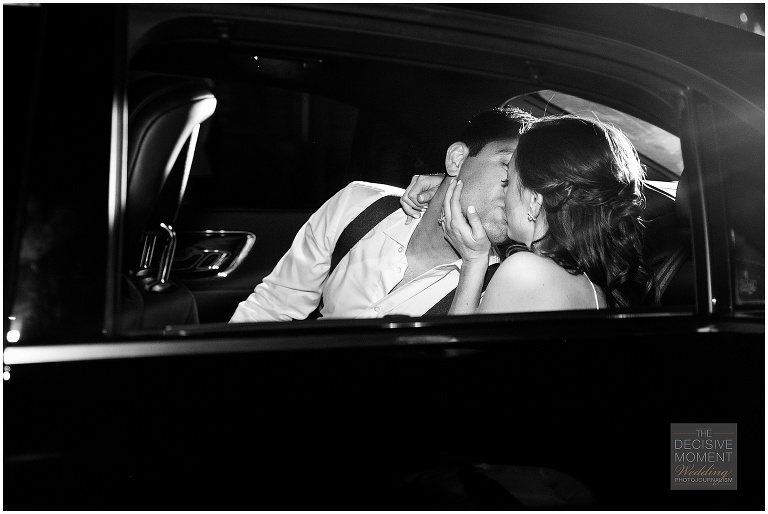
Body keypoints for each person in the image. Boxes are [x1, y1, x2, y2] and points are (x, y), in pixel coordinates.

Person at [230, 108, 532, 322]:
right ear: (457, 159)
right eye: (508, 167)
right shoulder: (358, 206)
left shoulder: (507, 283)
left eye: (532, 184)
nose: (519, 191)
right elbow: (273, 307)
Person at [401, 114, 656, 313]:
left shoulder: (526, 271)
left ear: (535, 201)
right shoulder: (589, 284)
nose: (504, 193)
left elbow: (454, 355)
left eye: (510, 181)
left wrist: (473, 263)